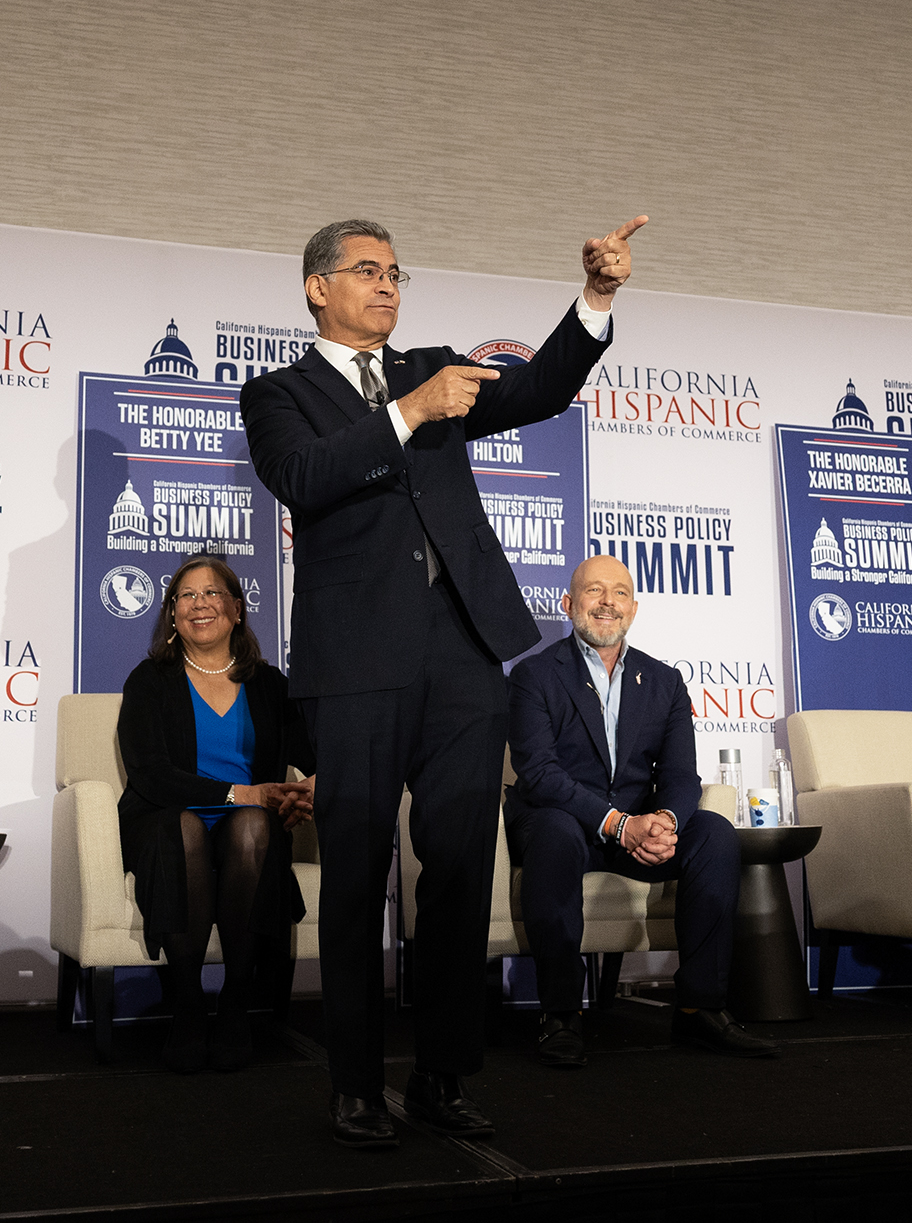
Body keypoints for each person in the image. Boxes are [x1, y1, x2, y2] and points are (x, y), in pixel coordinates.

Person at [242, 214, 644, 1148]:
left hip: (465, 651)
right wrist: (406, 413)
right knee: (355, 875)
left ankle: (441, 1075)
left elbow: (541, 389)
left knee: (461, 871)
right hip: (356, 663)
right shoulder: (279, 392)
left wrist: (597, 297)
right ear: (318, 288)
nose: (388, 285)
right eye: (367, 270)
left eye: (396, 272)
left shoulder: (431, 364)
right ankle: (354, 1084)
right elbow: (301, 475)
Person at [506, 555, 775, 1065]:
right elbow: (539, 773)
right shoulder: (533, 675)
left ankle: (700, 1008)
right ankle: (561, 1013)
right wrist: (617, 824)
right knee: (556, 833)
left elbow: (680, 775)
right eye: (594, 590)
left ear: (633, 608)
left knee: (714, 834)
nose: (607, 602)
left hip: (635, 828)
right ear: (568, 604)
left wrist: (665, 823)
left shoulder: (664, 681)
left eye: (620, 593)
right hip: (561, 821)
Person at [115, 555, 314, 1072]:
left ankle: (235, 1002)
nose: (199, 604)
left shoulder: (270, 685)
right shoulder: (150, 680)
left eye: (211, 593)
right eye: (186, 595)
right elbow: (149, 774)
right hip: (165, 816)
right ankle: (187, 1003)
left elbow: (315, 754)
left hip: (248, 823)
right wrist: (242, 793)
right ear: (172, 612)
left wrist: (312, 786)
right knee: (185, 828)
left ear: (237, 609)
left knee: (252, 829)